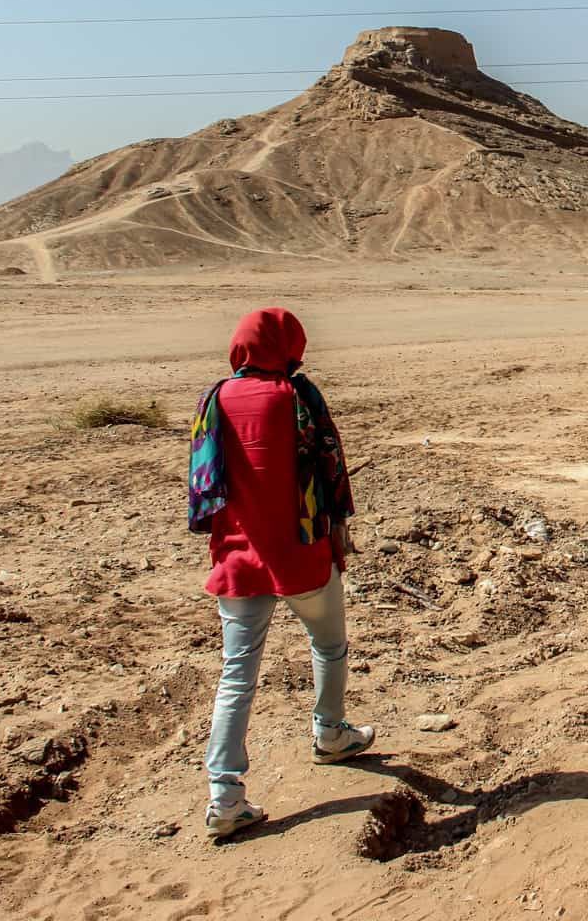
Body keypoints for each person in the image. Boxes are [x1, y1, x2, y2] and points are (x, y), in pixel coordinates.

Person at [188, 307, 373, 839]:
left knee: (236, 676)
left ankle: (224, 798)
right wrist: (338, 528)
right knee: (330, 644)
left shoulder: (214, 399)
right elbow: (328, 466)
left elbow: (205, 480)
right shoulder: (297, 396)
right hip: (301, 553)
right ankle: (331, 733)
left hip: (238, 560)